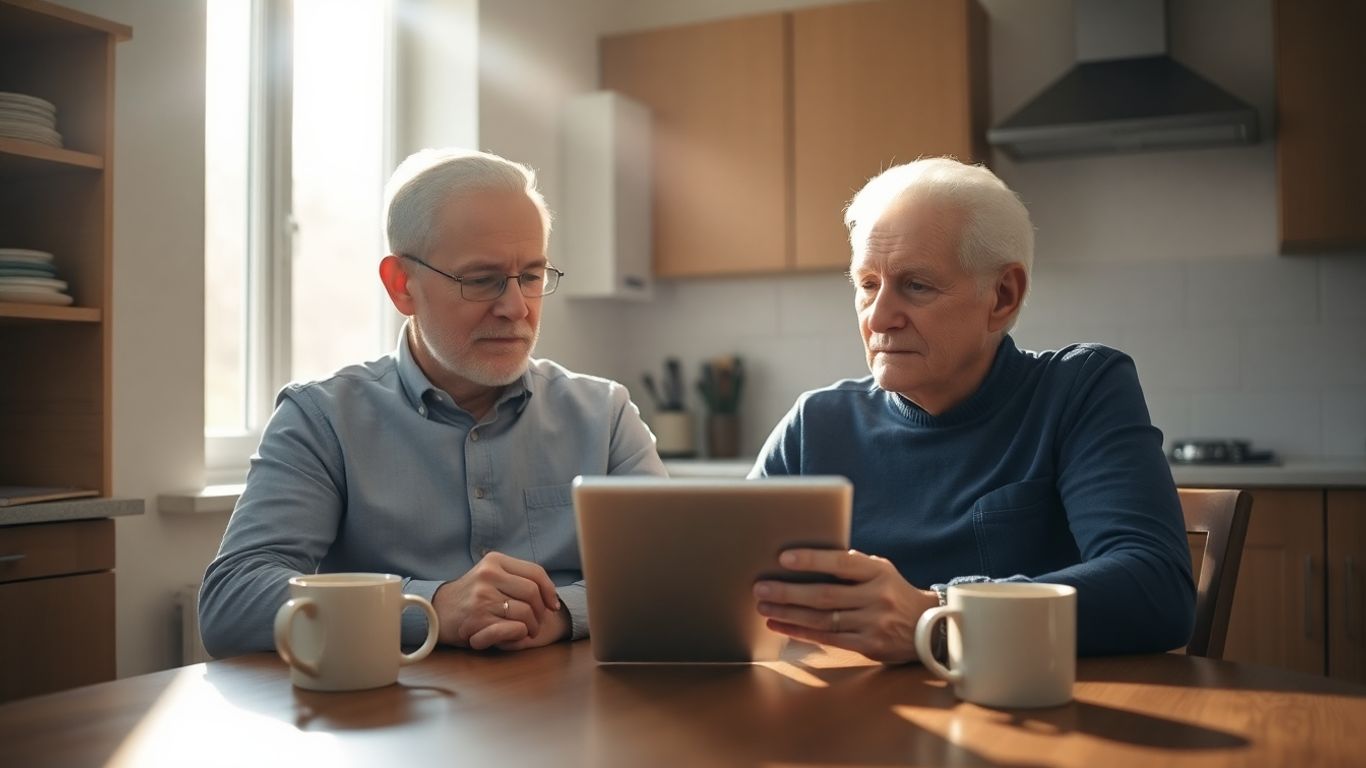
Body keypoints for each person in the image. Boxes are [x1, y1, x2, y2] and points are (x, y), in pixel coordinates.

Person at [200, 148, 666, 657]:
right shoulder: (323, 420)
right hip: (389, 721)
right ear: (402, 286)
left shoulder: (605, 414)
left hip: (573, 716)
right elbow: (231, 600)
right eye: (482, 280)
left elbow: (675, 571)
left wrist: (557, 612)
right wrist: (432, 608)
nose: (515, 308)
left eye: (531, 276)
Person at [750, 157, 1194, 663]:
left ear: (1003, 296)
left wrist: (936, 618)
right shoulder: (816, 424)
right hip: (857, 723)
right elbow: (727, 587)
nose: (879, 317)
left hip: (1037, 719)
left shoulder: (1079, 389)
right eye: (868, 283)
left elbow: (1156, 588)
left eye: (916, 285)